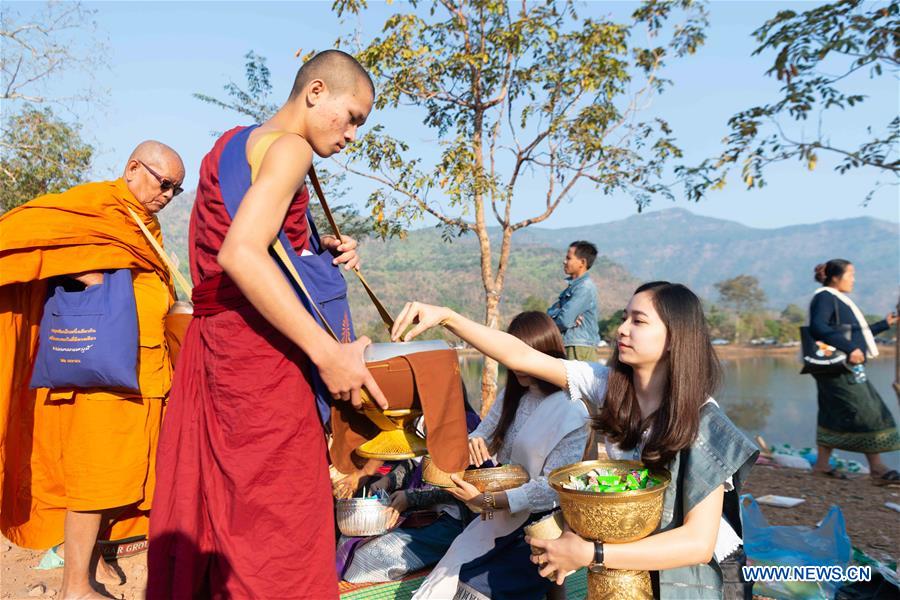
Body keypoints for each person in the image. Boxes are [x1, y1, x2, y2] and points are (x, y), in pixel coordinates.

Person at [146, 50, 388, 600]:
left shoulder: (232, 142)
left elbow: (255, 242)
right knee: (280, 522)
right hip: (260, 361)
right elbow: (242, 255)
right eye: (352, 116)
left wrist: (309, 251)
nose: (353, 134)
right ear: (316, 91)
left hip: (216, 352)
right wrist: (329, 355)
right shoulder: (292, 148)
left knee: (223, 508)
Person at [392, 283, 759, 598]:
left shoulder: (702, 420)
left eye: (639, 321)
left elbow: (698, 543)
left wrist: (591, 554)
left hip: (702, 576)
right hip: (632, 561)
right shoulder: (609, 387)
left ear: (674, 338)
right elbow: (520, 354)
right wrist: (448, 317)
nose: (622, 329)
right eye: (625, 317)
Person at [0, 141, 185, 599]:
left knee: (124, 477)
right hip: (103, 371)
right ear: (133, 167)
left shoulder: (143, 224)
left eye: (177, 190)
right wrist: (96, 276)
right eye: (164, 184)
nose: (167, 195)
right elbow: (22, 232)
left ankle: (95, 568)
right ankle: (74, 586)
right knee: (95, 477)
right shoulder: (96, 206)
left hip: (144, 369)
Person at [409, 312, 588, 600]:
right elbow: (483, 435)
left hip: (540, 524)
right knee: (447, 581)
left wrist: (488, 501)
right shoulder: (512, 395)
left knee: (473, 587)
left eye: (525, 353)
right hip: (499, 513)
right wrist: (475, 442)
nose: (516, 363)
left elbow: (551, 489)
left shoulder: (572, 410)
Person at [337, 400, 481, 583]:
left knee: (369, 556)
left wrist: (411, 498)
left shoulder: (466, 427)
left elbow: (463, 484)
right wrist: (387, 482)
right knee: (350, 537)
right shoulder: (420, 420)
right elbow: (413, 464)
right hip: (414, 514)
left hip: (449, 521)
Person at [808, 259, 900, 485]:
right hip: (841, 369)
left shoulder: (836, 299)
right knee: (869, 410)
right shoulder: (825, 297)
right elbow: (818, 327)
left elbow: (855, 332)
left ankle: (821, 465)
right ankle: (877, 470)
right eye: (850, 275)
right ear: (835, 278)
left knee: (832, 411)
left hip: (840, 369)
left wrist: (884, 324)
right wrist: (850, 348)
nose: (853, 280)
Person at [547, 241, 601, 360]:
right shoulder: (574, 287)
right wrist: (559, 313)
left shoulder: (584, 288)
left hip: (578, 348)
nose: (564, 261)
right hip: (570, 345)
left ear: (582, 262)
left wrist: (561, 315)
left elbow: (565, 320)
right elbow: (549, 314)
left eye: (568, 258)